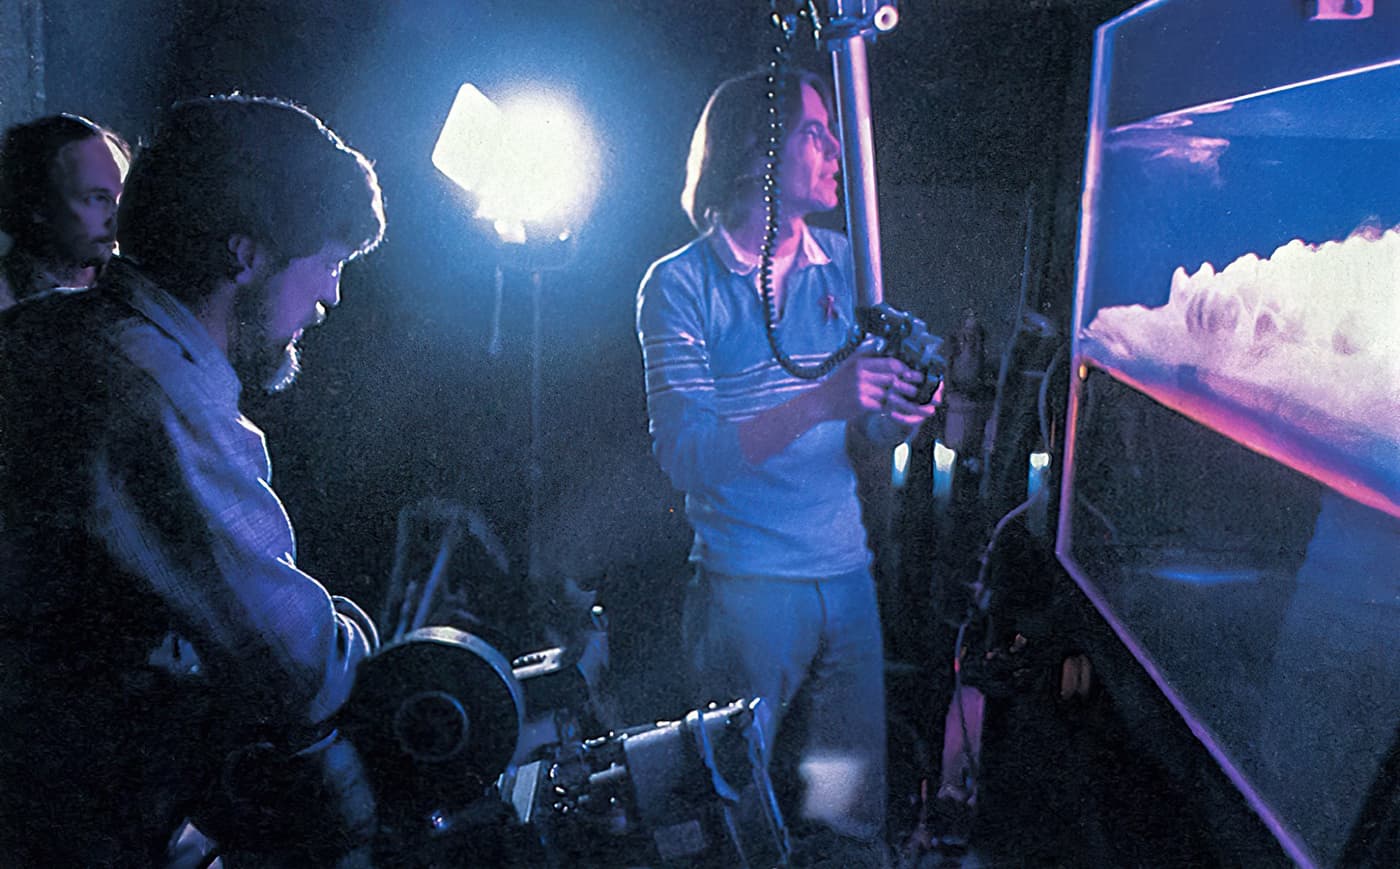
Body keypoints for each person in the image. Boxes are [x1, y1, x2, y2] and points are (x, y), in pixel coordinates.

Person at [0, 95, 386, 867]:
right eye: (329, 264)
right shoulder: (151, 393)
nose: (331, 297)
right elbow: (295, 667)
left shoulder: (54, 329)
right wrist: (358, 637)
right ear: (245, 255)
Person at [635, 69, 937, 867]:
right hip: (747, 592)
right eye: (815, 131)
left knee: (843, 803)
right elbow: (687, 455)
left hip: (846, 580)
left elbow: (866, 423)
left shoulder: (845, 263)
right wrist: (819, 401)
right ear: (754, 153)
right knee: (728, 813)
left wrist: (894, 418)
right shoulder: (679, 286)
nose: (836, 148)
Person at [0, 112, 129, 310]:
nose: (117, 216)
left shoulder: (133, 295)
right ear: (38, 205)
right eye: (97, 198)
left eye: (124, 198)